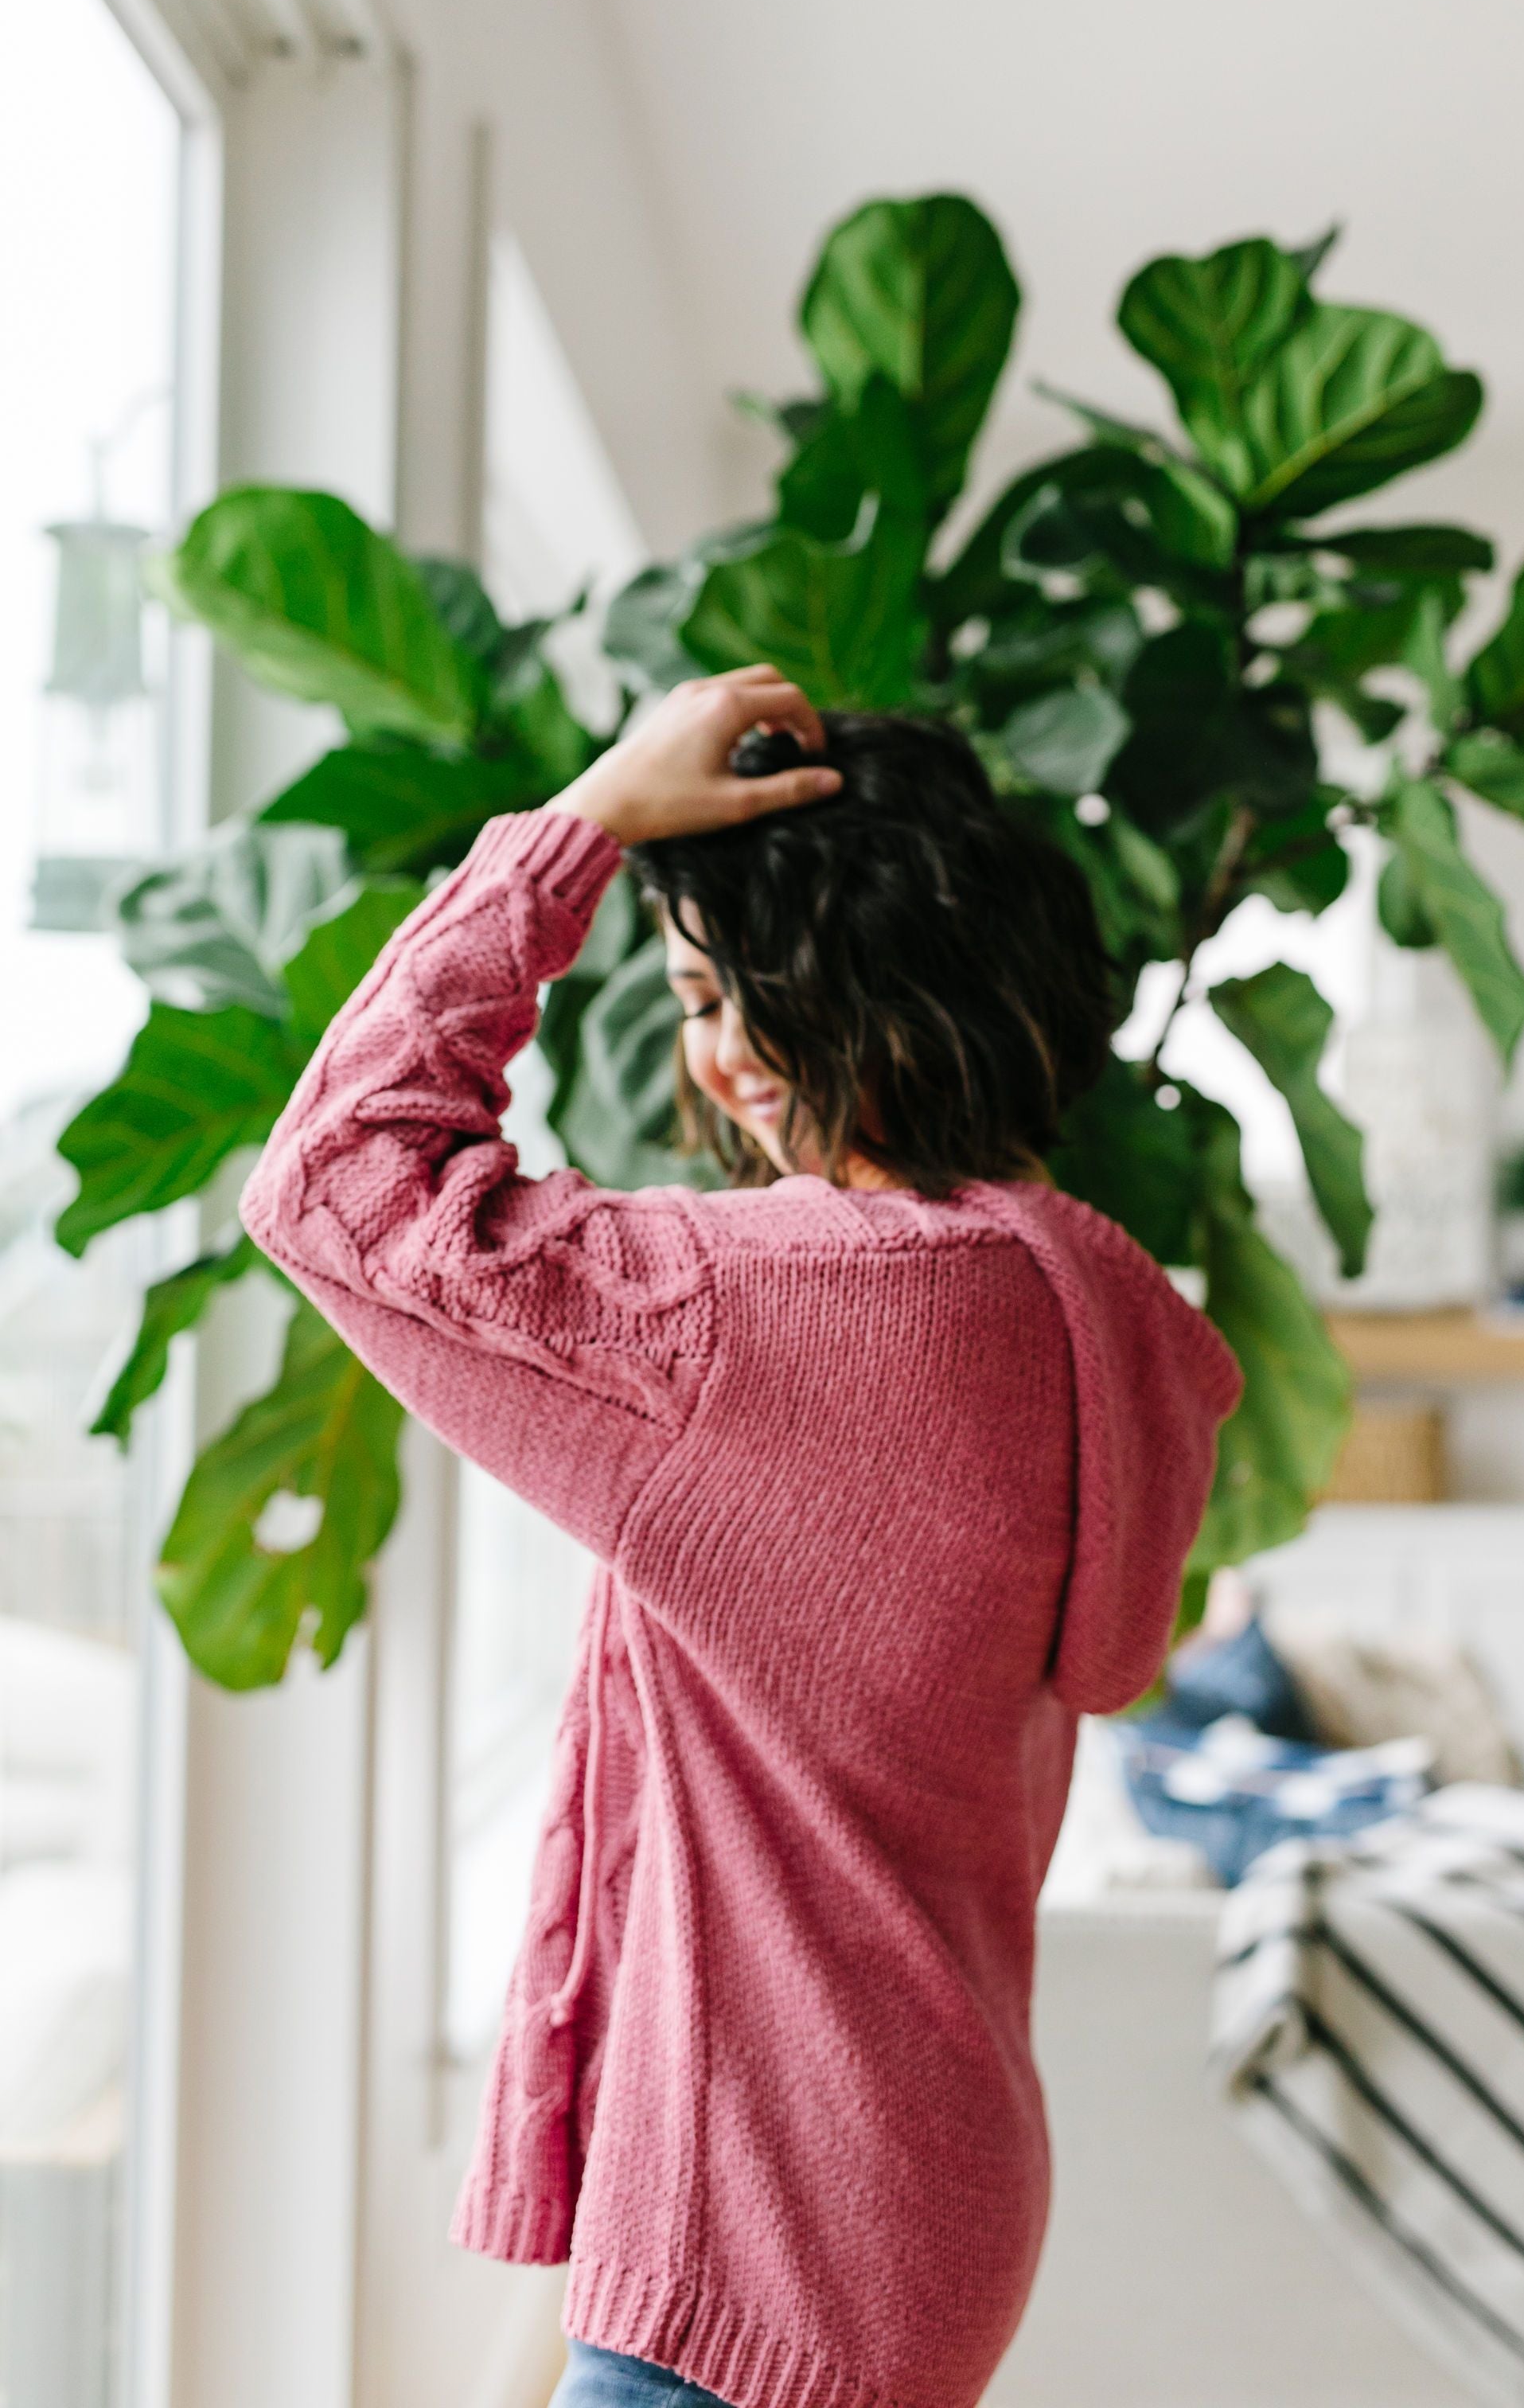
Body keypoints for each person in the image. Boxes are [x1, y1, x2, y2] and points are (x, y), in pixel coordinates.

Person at [240, 665, 1241, 2408]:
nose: (709, 1058)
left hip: (761, 2239)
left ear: (861, 995)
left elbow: (337, 1176)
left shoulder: (756, 1315)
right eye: (689, 996)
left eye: (731, 995)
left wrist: (588, 827)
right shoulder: (1087, 1302)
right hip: (933, 2193)